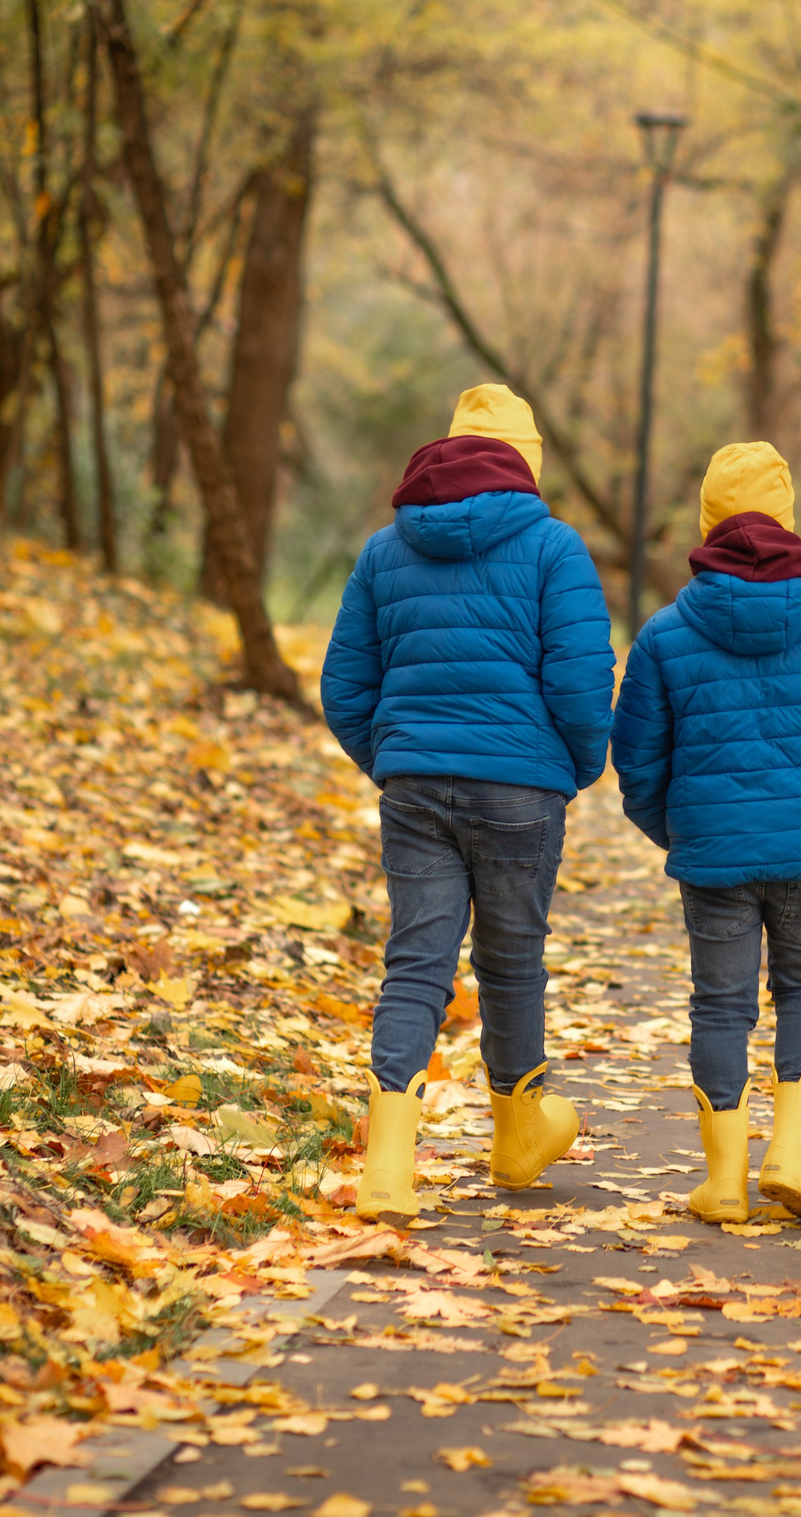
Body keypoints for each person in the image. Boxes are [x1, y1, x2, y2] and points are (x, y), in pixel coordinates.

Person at [321, 385, 616, 1226]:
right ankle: (518, 1137)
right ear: (526, 461)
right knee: (512, 962)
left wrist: (395, 759)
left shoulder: (387, 549)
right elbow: (581, 683)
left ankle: (387, 1169)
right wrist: (571, 766)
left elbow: (344, 685)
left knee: (417, 962)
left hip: (415, 788)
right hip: (522, 788)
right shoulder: (554, 547)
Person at [610, 443, 801, 1222]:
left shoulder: (667, 633)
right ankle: (794, 1156)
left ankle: (722, 1181)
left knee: (720, 1004)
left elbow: (635, 756)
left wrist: (678, 829)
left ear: (708, 521)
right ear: (787, 519)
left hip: (715, 856)